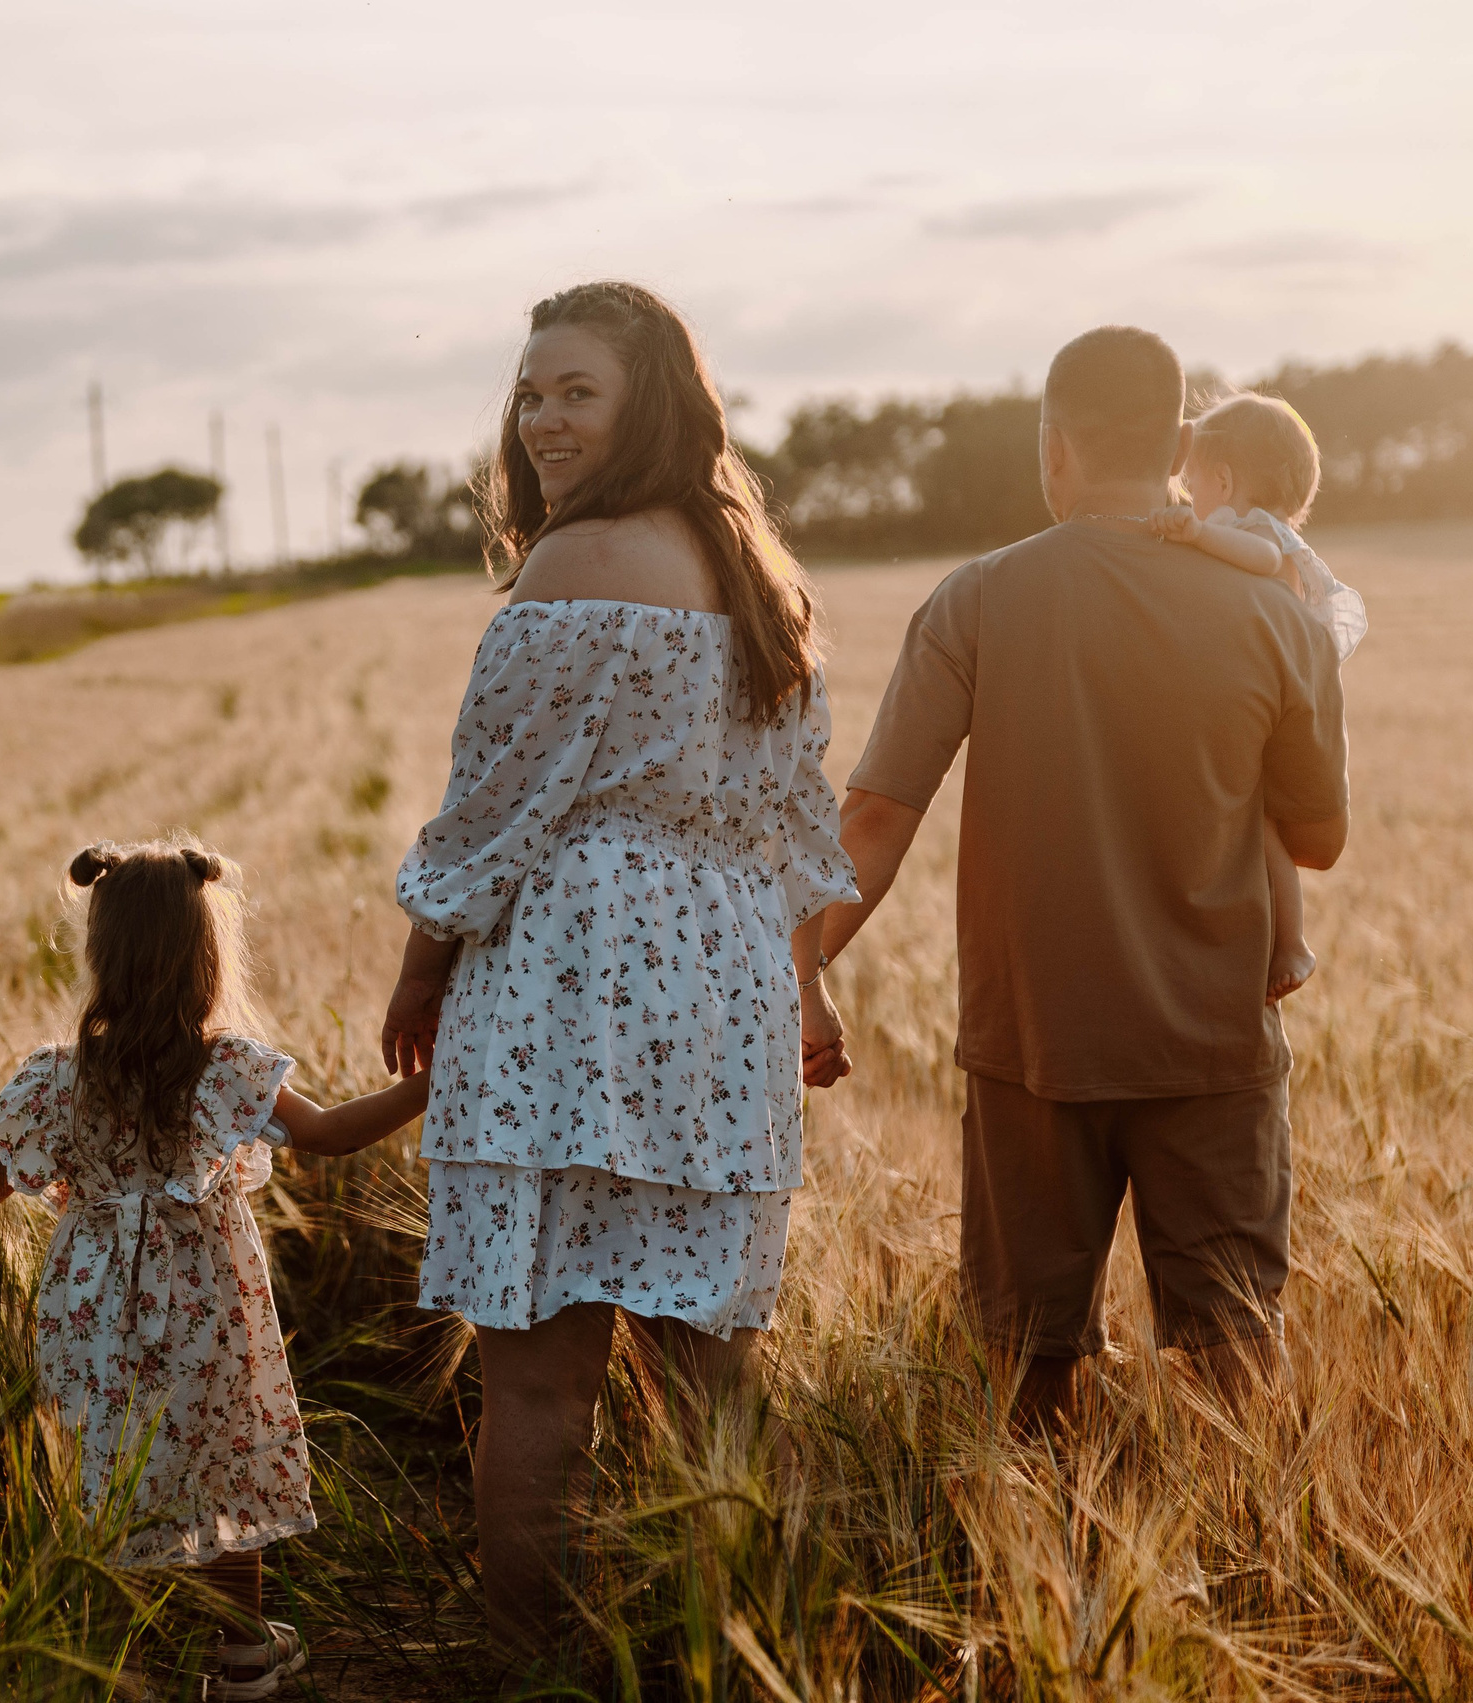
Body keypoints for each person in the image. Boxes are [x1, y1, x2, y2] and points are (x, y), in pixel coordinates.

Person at [379, 281, 858, 1645]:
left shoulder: (574, 566)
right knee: (713, 1382)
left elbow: (490, 812)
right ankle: (737, 1643)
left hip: (569, 992)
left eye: (575, 390)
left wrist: (423, 969)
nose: (540, 421)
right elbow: (792, 825)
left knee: (541, 1390)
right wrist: (806, 984)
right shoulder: (761, 574)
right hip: (721, 999)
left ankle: (535, 1664)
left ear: (648, 397)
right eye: (529, 394)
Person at [819, 326, 1350, 1435]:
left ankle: (1032, 1571)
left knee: (1026, 1362)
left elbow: (871, 817)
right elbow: (1316, 837)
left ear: (1053, 447)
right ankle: (1250, 1564)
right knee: (1236, 1355)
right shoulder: (1275, 617)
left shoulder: (978, 597)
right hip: (1213, 1043)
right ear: (1174, 443)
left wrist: (793, 965)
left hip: (1032, 1046)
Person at [0, 839, 429, 1701]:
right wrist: (430, 1088)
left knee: (103, 1455)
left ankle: (108, 1647)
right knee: (220, 1449)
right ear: (206, 954)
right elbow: (329, 1133)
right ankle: (243, 1647)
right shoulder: (223, 1066)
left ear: (100, 952)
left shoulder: (59, 1076)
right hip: (203, 1298)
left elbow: (1, 1161)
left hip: (91, 1301)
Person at [1148, 391, 1368, 1000]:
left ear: (1223, 478)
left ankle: (1292, 941)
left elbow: (1262, 556)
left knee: (1263, 827)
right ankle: (1286, 939)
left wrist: (1194, 534)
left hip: (1269, 701)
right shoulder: (1229, 524)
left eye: (1192, 483)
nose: (1188, 496)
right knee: (1260, 828)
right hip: (1278, 697)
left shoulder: (1247, 531)